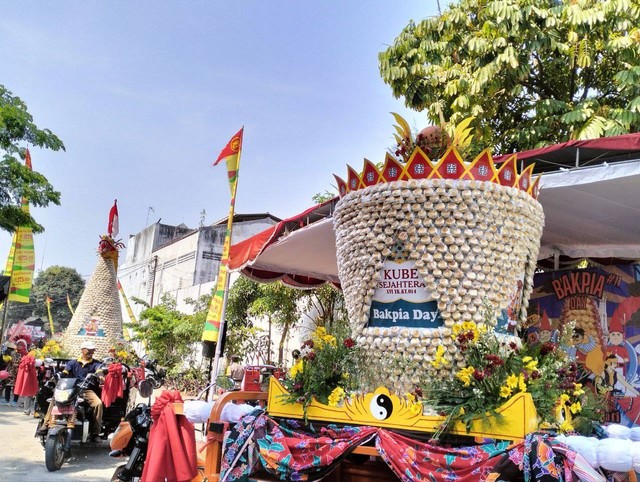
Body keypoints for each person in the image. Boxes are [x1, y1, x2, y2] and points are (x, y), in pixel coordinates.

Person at [39, 340, 104, 443]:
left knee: (98, 404)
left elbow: (99, 371)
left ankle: (95, 433)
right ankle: (45, 424)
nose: (91, 352)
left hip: (86, 390)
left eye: (93, 350)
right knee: (55, 399)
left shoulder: (96, 363)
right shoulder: (72, 363)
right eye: (89, 350)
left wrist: (101, 377)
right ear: (83, 350)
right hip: (71, 389)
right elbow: (65, 372)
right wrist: (57, 376)